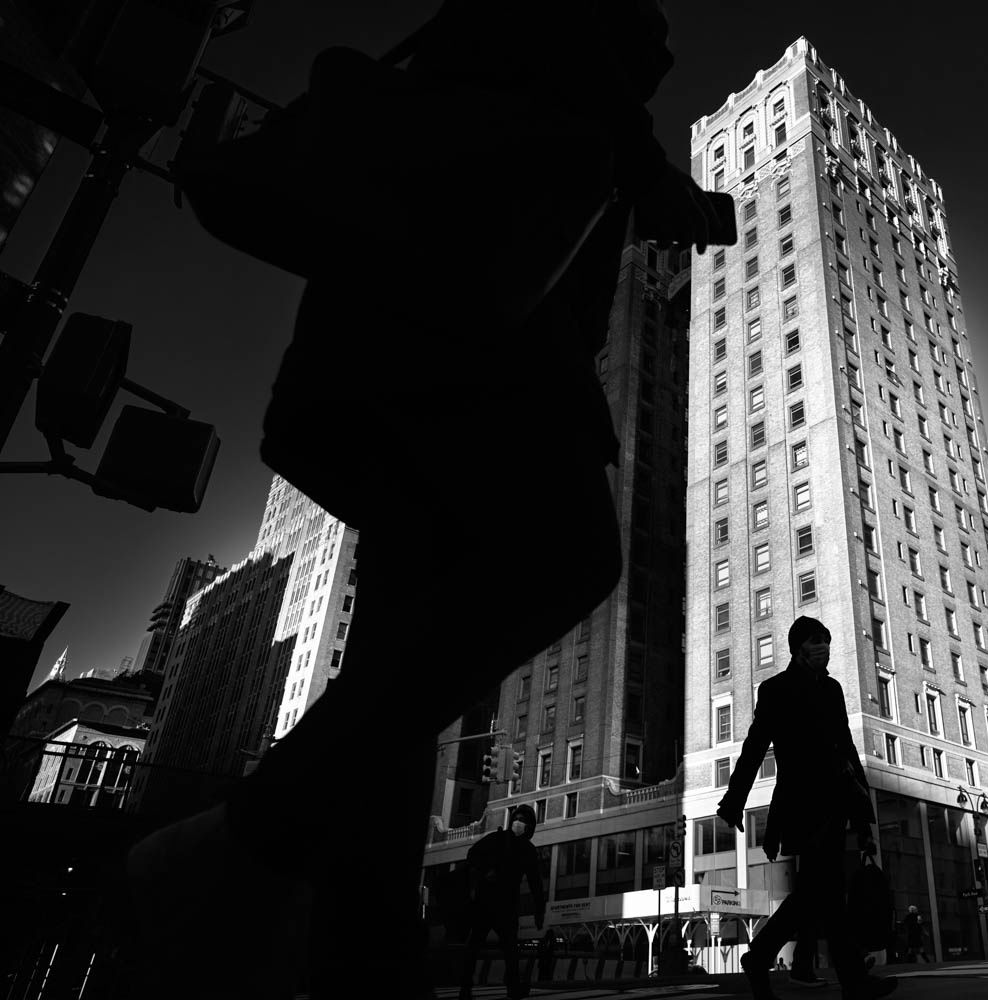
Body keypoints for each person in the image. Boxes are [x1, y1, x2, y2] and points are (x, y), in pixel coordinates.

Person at [124, 4, 725, 998]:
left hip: (417, 359)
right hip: (455, 351)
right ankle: (248, 837)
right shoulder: (551, 79)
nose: (658, 44)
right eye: (644, 30)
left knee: (398, 669)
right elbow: (556, 50)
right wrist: (645, 163)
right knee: (567, 551)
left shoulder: (544, 98)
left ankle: (361, 958)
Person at [717, 617, 897, 1000]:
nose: (824, 648)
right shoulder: (775, 690)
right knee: (823, 892)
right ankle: (849, 980)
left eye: (826, 641)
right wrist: (734, 801)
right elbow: (754, 747)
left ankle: (762, 957)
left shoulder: (832, 689)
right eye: (817, 641)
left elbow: (847, 751)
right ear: (798, 646)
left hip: (835, 805)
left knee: (820, 893)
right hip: (801, 807)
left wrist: (863, 817)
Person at [459, 805, 545, 1000]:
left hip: (501, 904)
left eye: (523, 820)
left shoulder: (526, 850)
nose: (518, 823)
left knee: (503, 948)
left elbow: (536, 884)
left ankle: (473, 987)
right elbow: (472, 854)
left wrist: (539, 910)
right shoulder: (500, 840)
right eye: (517, 818)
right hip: (491, 902)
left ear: (530, 826)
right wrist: (486, 870)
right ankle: (471, 987)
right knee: (492, 946)